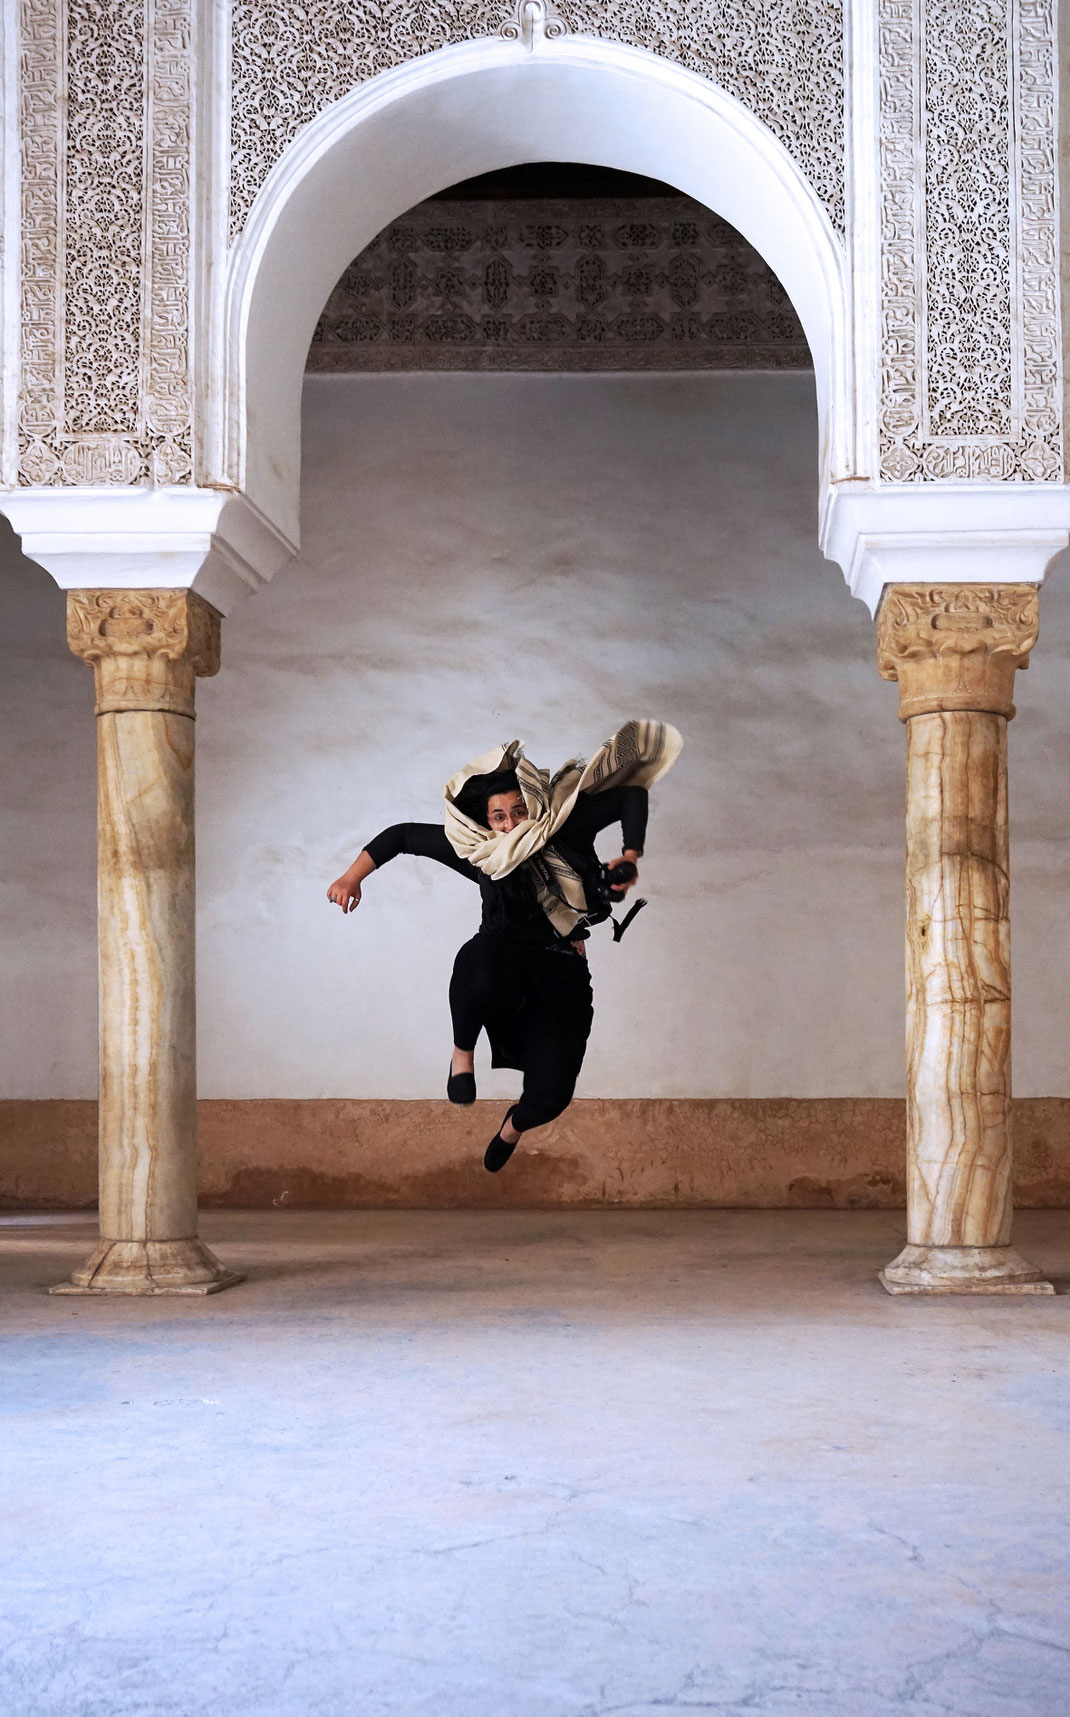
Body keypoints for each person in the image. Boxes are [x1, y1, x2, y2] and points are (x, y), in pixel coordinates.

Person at [327, 720, 682, 1172]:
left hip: (561, 974)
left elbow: (632, 794)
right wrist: (351, 877)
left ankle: (513, 1126)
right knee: (482, 957)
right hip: (502, 967)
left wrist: (630, 855)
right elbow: (402, 836)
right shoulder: (483, 855)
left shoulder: (563, 831)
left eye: (519, 811)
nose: (512, 824)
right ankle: (462, 1056)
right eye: (500, 817)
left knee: (553, 1095)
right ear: (487, 823)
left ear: (534, 805)